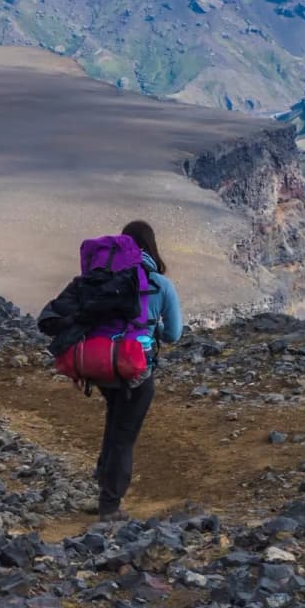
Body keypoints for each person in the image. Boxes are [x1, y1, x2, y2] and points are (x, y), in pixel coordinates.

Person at [96, 219, 183, 521]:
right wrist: (152, 327)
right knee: (124, 434)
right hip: (136, 368)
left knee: (114, 423)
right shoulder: (161, 284)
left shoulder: (107, 275)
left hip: (104, 364)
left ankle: (103, 490)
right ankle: (109, 505)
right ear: (151, 245)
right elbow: (173, 334)